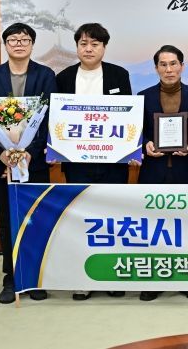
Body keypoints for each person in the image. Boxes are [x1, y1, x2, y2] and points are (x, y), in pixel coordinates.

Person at [0, 22, 56, 304]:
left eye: (24, 39)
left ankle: (34, 277)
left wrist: (29, 153)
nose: (19, 44)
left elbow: (50, 118)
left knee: (35, 219)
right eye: (13, 39)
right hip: (2, 164)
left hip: (34, 162)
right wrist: (2, 155)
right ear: (6, 45)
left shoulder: (45, 75)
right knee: (7, 221)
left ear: (32, 44)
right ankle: (11, 278)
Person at [55, 22, 131, 301]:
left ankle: (112, 274)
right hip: (77, 162)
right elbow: (57, 120)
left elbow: (128, 116)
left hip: (113, 162)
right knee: (81, 217)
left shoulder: (119, 75)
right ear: (77, 47)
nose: (89, 49)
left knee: (113, 215)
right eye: (83, 44)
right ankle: (82, 278)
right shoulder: (63, 78)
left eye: (95, 44)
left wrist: (131, 150)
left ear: (104, 48)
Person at [136, 45, 188, 302]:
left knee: (186, 226)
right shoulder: (143, 97)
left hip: (186, 171)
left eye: (173, 63)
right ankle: (154, 280)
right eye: (163, 64)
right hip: (153, 171)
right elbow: (136, 132)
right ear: (156, 68)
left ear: (182, 66)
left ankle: (187, 279)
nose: (169, 69)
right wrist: (145, 145)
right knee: (154, 228)